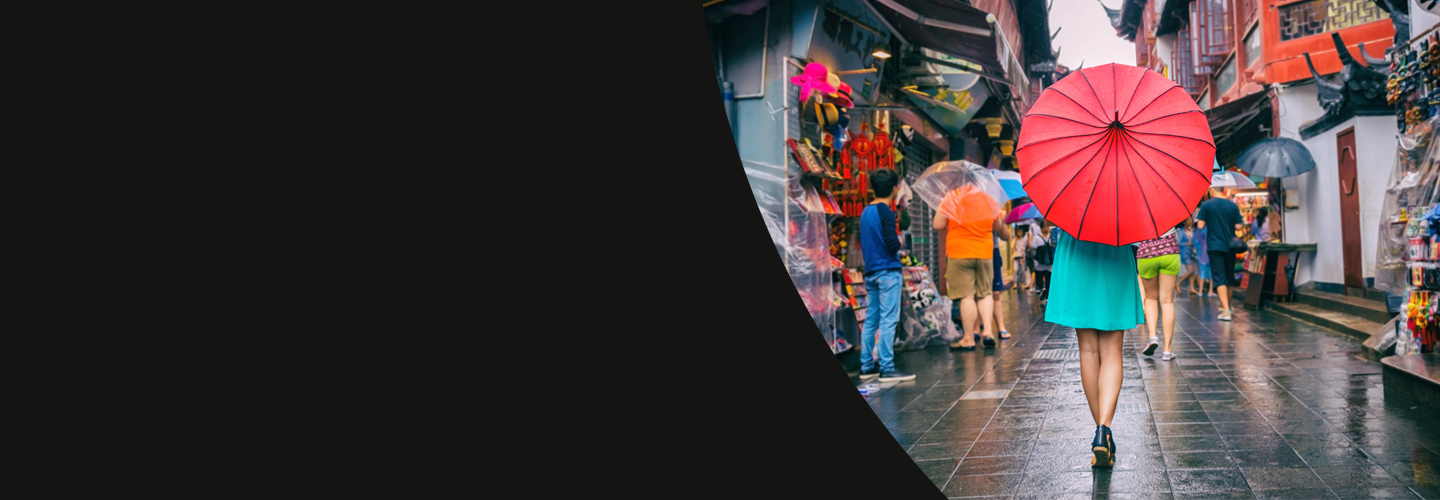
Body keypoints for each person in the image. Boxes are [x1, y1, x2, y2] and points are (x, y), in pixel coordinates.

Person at [1044, 223, 1144, 468]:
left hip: (1076, 249)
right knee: (1111, 350)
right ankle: (1104, 429)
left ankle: (1101, 434)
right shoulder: (1126, 185)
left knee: (1087, 349)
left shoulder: (1067, 184)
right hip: (1115, 247)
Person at [936, 187, 1011, 350]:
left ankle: (968, 338)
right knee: (985, 293)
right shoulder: (988, 199)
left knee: (967, 297)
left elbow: (938, 224)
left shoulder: (952, 197)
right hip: (984, 252)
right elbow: (997, 225)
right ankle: (988, 332)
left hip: (959, 252)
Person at [857, 169, 913, 382]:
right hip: (888, 272)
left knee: (871, 319)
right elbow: (891, 243)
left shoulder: (865, 211)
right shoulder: (885, 212)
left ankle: (866, 366)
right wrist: (898, 242)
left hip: (870, 272)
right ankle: (887, 368)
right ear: (894, 188)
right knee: (889, 320)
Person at [1196, 187, 1245, 321]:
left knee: (1219, 277)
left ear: (1211, 190)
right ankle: (1227, 306)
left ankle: (1226, 311)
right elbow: (1239, 227)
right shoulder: (1232, 205)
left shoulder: (1207, 205)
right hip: (1230, 245)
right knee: (1229, 277)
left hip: (1215, 246)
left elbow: (1200, 226)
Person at [1137, 224, 1183, 361]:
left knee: (1151, 298)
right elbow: (1188, 222)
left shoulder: (1136, 206)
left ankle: (1153, 337)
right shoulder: (1171, 204)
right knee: (1167, 301)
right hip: (1170, 252)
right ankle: (1167, 350)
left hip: (1146, 253)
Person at [1030, 220, 1055, 305]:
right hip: (1049, 264)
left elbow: (1032, 246)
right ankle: (1047, 296)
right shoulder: (1051, 236)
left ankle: (1042, 288)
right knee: (1048, 280)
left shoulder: (1036, 237)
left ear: (1040, 228)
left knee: (1039, 279)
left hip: (1039, 264)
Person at [1176, 218, 1199, 296]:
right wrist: (1188, 243)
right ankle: (1178, 283)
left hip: (1192, 253)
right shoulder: (1180, 231)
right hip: (1184, 253)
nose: (1191, 221)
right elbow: (1178, 242)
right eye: (1189, 220)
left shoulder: (1191, 231)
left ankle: (1191, 288)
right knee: (1190, 270)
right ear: (1184, 222)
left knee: (1192, 272)